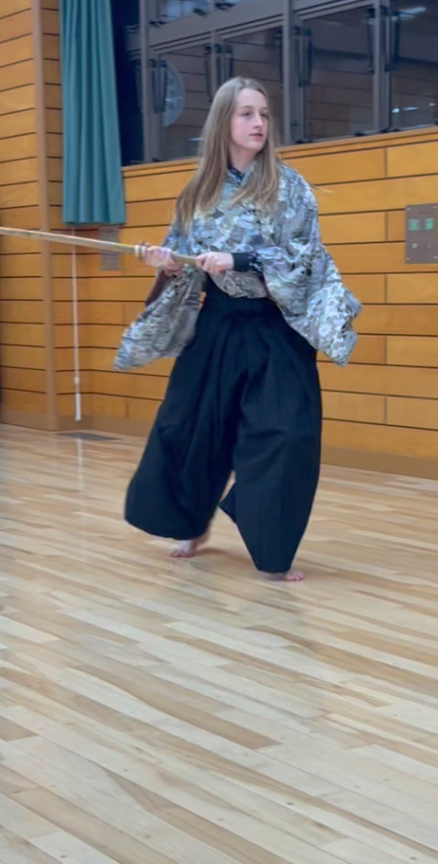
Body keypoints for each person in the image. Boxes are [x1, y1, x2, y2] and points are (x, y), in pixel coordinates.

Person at [121, 77, 360, 582]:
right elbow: (183, 258)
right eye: (247, 114)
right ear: (224, 122)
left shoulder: (289, 186)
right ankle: (190, 520)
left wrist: (241, 258)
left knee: (289, 433)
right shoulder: (197, 193)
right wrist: (164, 262)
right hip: (218, 325)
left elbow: (306, 256)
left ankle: (270, 543)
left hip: (275, 327)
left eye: (264, 114)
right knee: (189, 426)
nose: (258, 124)